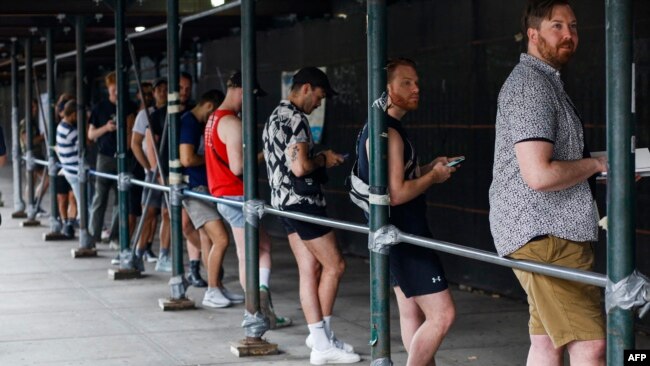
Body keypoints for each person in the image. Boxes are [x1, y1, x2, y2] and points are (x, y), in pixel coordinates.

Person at [489, 1, 607, 365]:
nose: (569, 34)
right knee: (592, 346)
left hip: (544, 233)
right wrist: (596, 163)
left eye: (573, 26)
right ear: (533, 34)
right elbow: (539, 175)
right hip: (546, 235)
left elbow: (555, 162)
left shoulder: (544, 82)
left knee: (545, 342)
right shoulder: (531, 86)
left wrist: (600, 167)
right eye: (557, 26)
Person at [356, 58, 457, 365]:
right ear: (386, 89)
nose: (416, 89)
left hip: (397, 233)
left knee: (411, 310)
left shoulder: (382, 127)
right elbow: (397, 194)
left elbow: (394, 180)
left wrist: (427, 168)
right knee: (443, 315)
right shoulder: (389, 133)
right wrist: (434, 177)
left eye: (416, 82)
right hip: (405, 234)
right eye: (406, 83)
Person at [262, 67, 360, 364]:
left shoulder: (274, 115)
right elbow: (301, 167)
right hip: (302, 204)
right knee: (335, 265)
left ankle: (319, 338)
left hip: (282, 203)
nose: (319, 103)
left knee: (310, 270)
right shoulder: (297, 119)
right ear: (306, 88)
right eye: (319, 96)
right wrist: (324, 158)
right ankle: (322, 342)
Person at [206, 71, 291, 327]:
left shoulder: (213, 118)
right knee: (249, 255)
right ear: (242, 90)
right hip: (235, 194)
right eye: (252, 96)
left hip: (224, 194)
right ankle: (256, 311)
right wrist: (264, 155)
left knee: (260, 248)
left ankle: (261, 303)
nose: (250, 103)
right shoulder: (231, 122)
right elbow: (238, 167)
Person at [179, 89, 239, 307]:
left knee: (208, 239)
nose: (213, 119)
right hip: (196, 189)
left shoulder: (194, 122)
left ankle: (217, 287)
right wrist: (213, 158)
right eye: (212, 113)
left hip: (203, 188)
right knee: (221, 239)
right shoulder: (190, 123)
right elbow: (186, 158)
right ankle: (212, 290)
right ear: (207, 106)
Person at [145, 72, 202, 273]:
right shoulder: (159, 115)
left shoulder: (195, 112)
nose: (185, 92)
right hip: (167, 173)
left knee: (190, 222)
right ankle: (164, 254)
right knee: (167, 214)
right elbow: (151, 146)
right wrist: (158, 173)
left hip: (191, 173)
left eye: (188, 88)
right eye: (181, 88)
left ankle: (199, 261)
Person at [87, 71, 136, 251]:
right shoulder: (100, 108)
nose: (116, 93)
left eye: (119, 89)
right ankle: (93, 235)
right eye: (113, 89)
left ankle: (115, 236)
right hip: (105, 157)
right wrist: (106, 128)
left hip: (123, 157)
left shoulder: (129, 106)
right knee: (100, 197)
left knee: (120, 200)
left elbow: (133, 130)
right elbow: (91, 135)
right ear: (108, 89)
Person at [132, 78, 167, 264]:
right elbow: (135, 144)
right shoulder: (145, 115)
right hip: (153, 171)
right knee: (149, 212)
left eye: (166, 89)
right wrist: (148, 167)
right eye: (158, 89)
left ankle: (156, 250)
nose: (162, 92)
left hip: (167, 169)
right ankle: (140, 249)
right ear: (153, 93)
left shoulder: (173, 112)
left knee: (165, 214)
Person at [56, 99, 80, 238]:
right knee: (81, 201)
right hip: (73, 170)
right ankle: (74, 225)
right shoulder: (71, 131)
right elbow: (83, 147)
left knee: (75, 198)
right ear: (72, 114)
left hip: (67, 169)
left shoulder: (60, 127)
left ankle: (70, 224)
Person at [20, 98, 48, 216]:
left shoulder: (31, 121)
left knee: (32, 181)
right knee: (47, 179)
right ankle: (33, 204)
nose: (35, 110)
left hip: (34, 156)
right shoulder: (27, 122)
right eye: (33, 107)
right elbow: (27, 141)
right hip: (33, 156)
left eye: (36, 107)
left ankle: (32, 205)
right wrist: (42, 137)